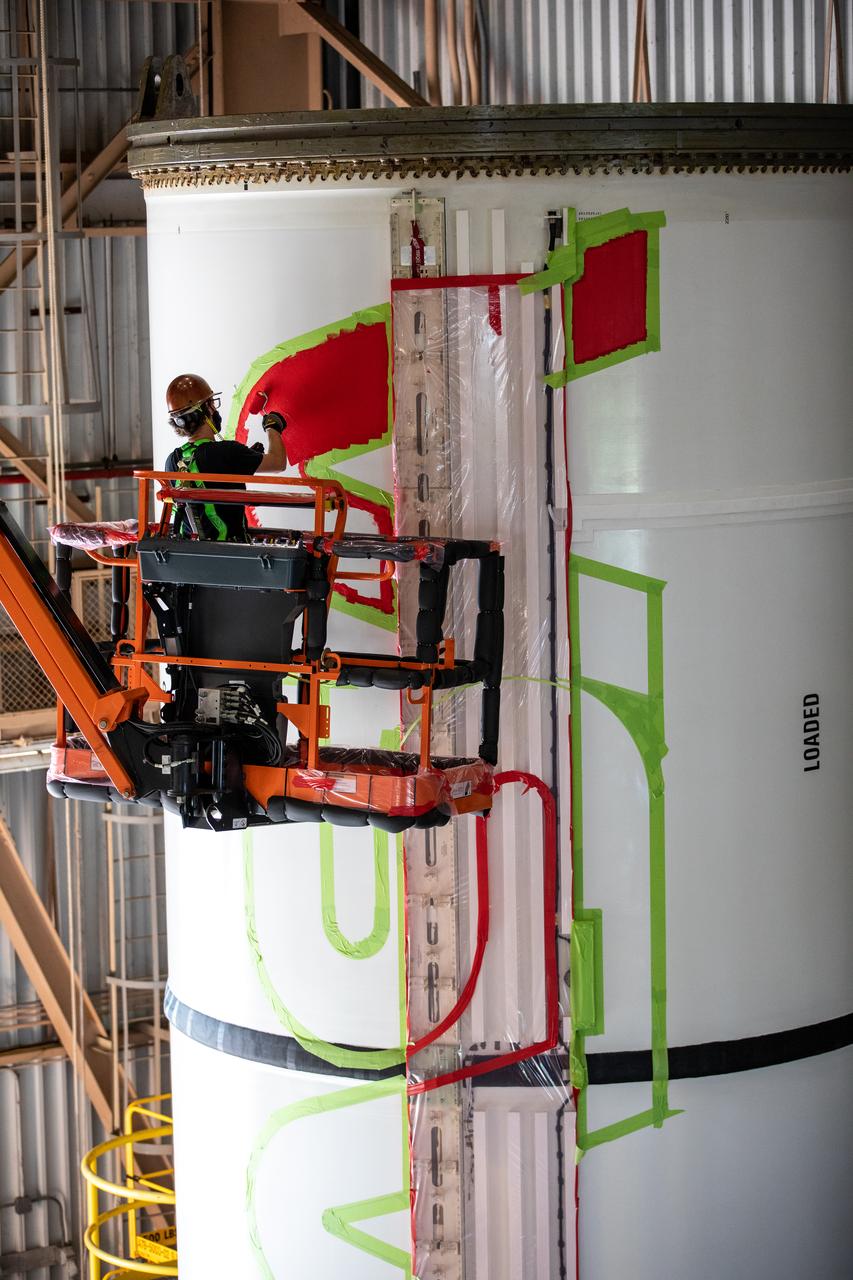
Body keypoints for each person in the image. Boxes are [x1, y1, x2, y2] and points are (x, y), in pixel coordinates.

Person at [163, 372, 286, 541]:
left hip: (189, 551)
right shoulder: (227, 452)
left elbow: (207, 477)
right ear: (206, 409)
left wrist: (244, 459)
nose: (215, 409)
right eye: (212, 404)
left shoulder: (172, 460)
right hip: (231, 551)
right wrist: (273, 427)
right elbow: (278, 463)